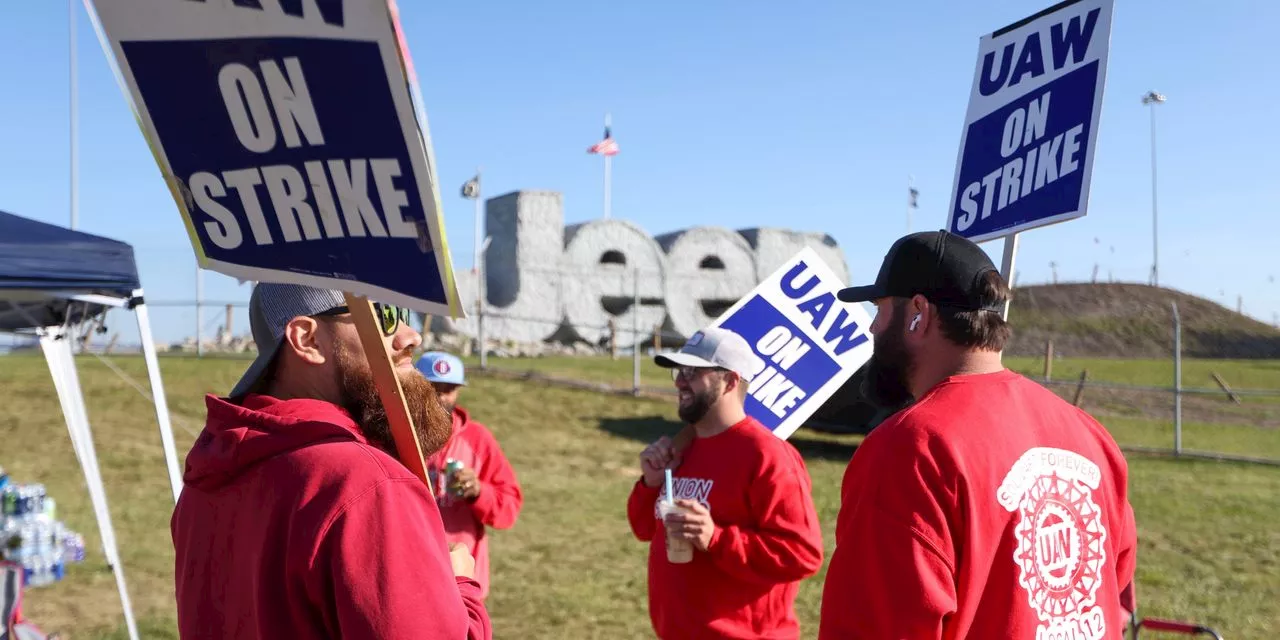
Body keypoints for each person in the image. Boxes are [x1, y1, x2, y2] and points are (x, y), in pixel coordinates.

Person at [818, 230, 1138, 639]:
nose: (873, 328)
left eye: (879, 309)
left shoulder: (910, 449)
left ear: (918, 312)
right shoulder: (1089, 433)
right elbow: (1115, 572)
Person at [171, 283, 492, 640]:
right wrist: (461, 586)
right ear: (307, 340)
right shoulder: (367, 483)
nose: (411, 336)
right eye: (383, 315)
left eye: (403, 313)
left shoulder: (208, 477)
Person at [626, 327, 824, 640]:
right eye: (679, 370)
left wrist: (715, 538)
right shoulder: (683, 448)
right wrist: (650, 484)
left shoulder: (767, 455)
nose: (679, 380)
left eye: (692, 371)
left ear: (730, 380)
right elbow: (644, 529)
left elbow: (802, 554)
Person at [415, 351, 523, 601]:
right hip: (411, 567)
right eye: (433, 388)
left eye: (449, 388)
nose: (441, 397)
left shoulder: (478, 439)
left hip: (462, 576)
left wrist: (479, 492)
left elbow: (509, 510)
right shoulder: (396, 434)